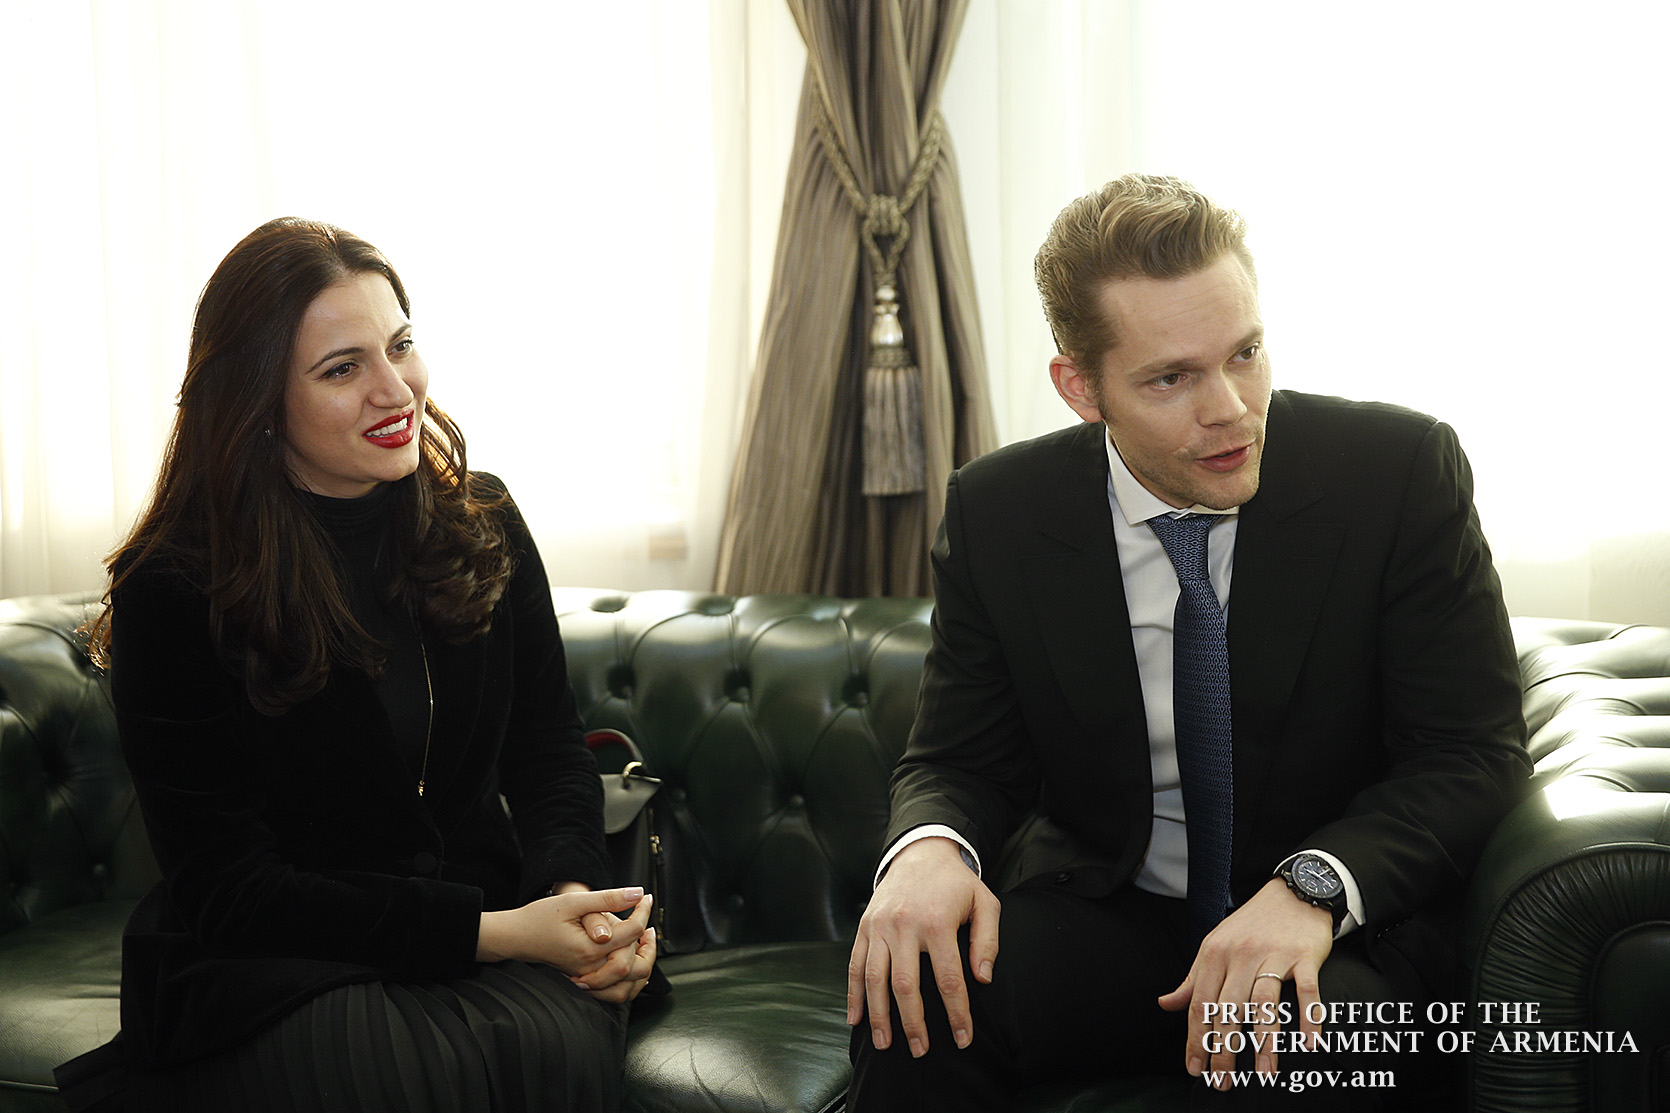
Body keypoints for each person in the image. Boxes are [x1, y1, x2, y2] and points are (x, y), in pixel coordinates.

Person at [845, 175, 1529, 1110]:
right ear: (1080, 388)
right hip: (1116, 913)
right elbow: (961, 757)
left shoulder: (1397, 474)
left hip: (1334, 930)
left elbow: (1472, 755)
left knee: (1292, 1049)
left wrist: (1313, 888)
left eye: (1245, 353)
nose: (1232, 408)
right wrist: (929, 850)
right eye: (1171, 378)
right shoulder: (999, 512)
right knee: (915, 993)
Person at [54, 218, 656, 1112]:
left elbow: (548, 749)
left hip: (492, 922)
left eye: (400, 346)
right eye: (342, 369)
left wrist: (577, 904)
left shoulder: (482, 522)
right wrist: (499, 933)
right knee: (417, 1073)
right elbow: (232, 891)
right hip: (279, 967)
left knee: (556, 1043)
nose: (394, 388)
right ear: (258, 400)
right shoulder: (175, 587)